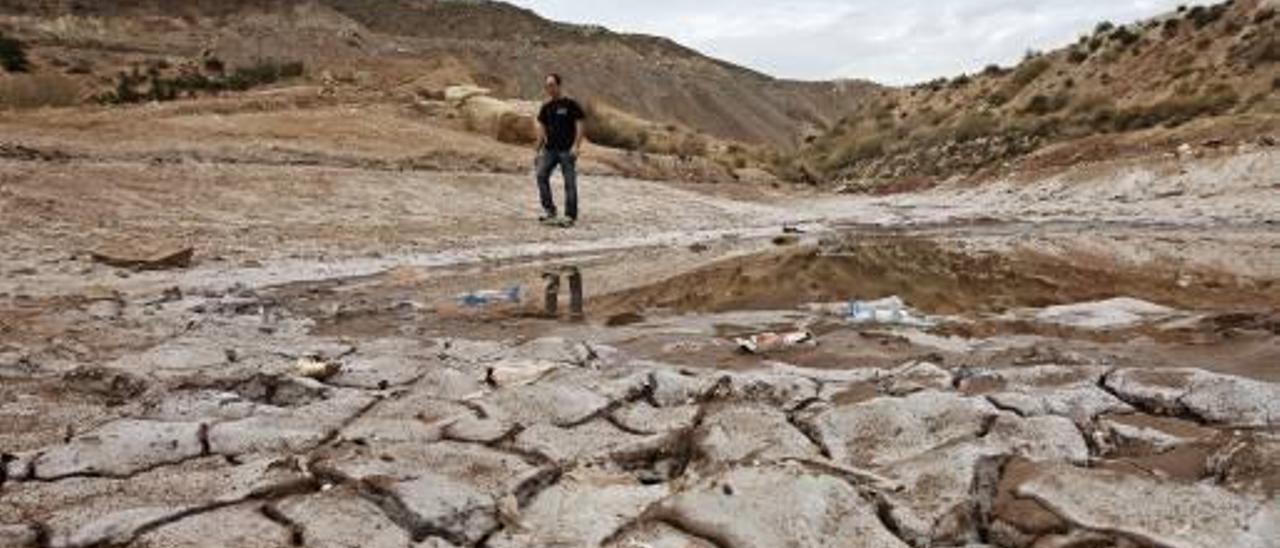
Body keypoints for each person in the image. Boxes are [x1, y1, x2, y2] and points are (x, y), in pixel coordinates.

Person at [534, 73, 586, 227]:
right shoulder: (546, 107)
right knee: (541, 175)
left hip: (566, 150)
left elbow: (580, 125)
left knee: (569, 182)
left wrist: (576, 146)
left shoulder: (570, 104)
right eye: (547, 85)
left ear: (558, 85)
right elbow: (542, 130)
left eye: (552, 85)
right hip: (550, 150)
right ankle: (550, 211)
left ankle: (570, 216)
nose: (549, 88)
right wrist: (536, 151)